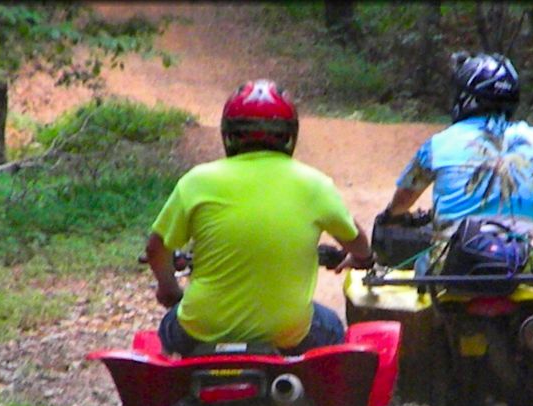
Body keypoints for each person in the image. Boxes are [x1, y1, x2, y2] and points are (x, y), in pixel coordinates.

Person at [145, 79, 372, 356]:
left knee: (170, 327)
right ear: (290, 135)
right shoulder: (315, 184)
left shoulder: (196, 181)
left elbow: (156, 248)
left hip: (202, 328)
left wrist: (169, 290)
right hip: (286, 334)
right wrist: (361, 258)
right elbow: (358, 243)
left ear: (228, 133)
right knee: (332, 326)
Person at [378, 52, 533, 274]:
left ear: (465, 97)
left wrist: (392, 217)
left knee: (421, 264)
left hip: (452, 268)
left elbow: (402, 201)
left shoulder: (438, 144)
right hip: (521, 266)